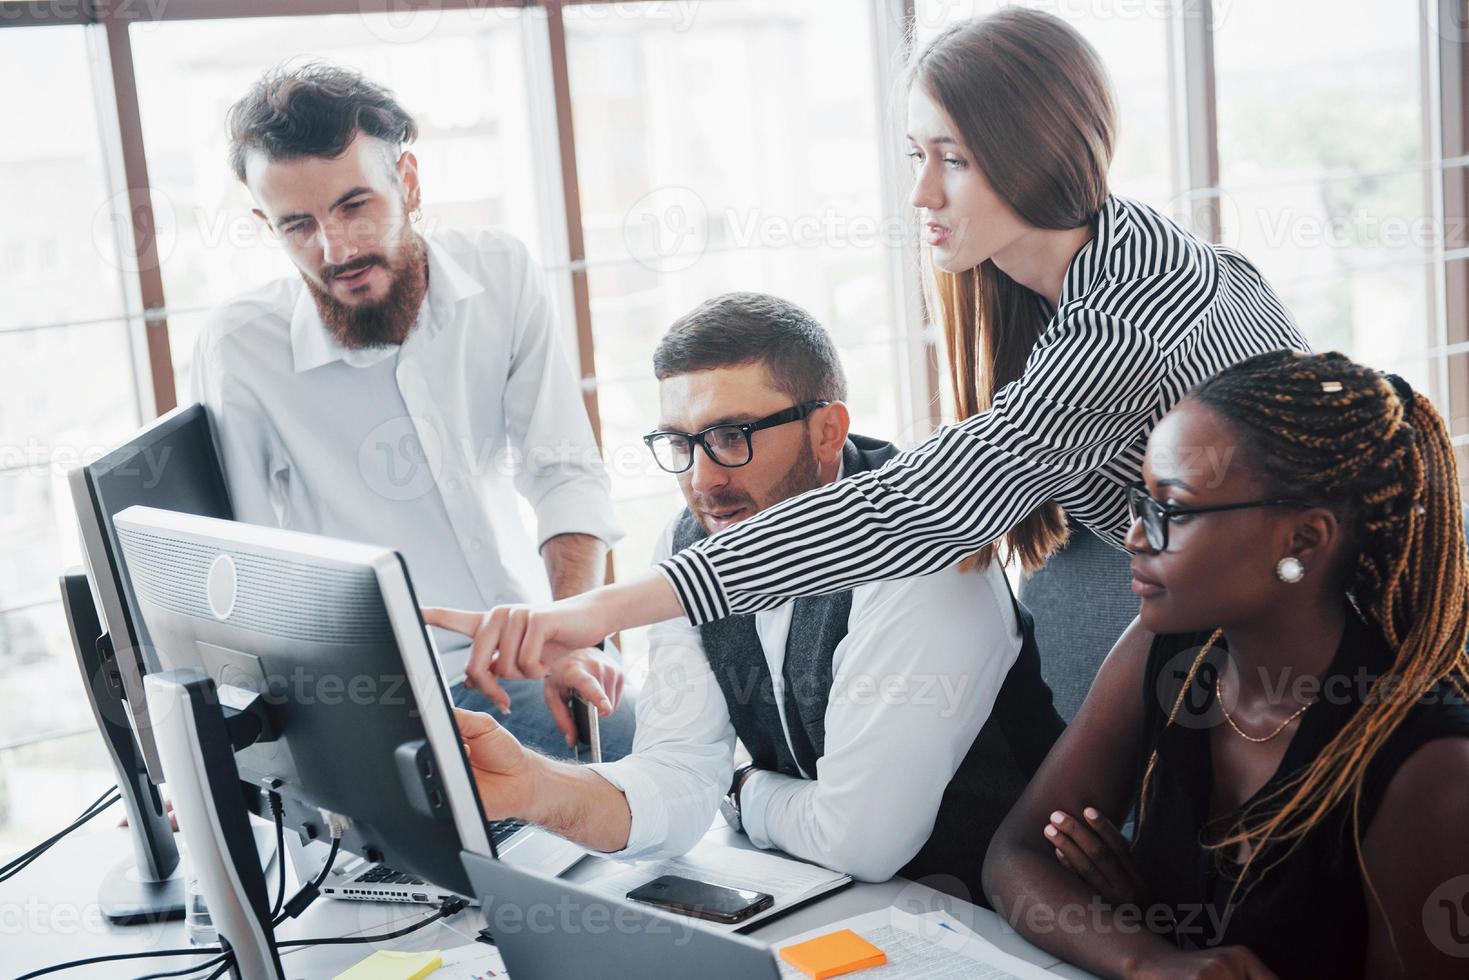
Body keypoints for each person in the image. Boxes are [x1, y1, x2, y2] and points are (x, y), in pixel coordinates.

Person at [429, 9, 1313, 688]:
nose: (921, 190)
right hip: (1159, 559)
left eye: (954, 159)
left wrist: (597, 609)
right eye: (913, 154)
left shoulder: (1124, 318)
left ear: (1039, 155)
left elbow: (914, 506)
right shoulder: (1047, 263)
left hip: (1293, 600)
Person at [427, 293, 1064, 899]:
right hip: (835, 908)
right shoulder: (686, 545)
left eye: (733, 436)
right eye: (680, 443)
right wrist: (535, 788)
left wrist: (737, 787)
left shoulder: (922, 556)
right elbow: (675, 782)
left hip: (994, 925)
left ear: (827, 432)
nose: (704, 480)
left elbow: (860, 842)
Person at [193, 63, 633, 759]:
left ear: (410, 184)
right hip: (375, 700)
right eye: (297, 225)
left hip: (531, 652)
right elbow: (238, 577)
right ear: (265, 225)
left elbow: (564, 472)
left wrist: (569, 633)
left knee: (645, 763)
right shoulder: (242, 347)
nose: (334, 250)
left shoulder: (502, 274)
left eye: (353, 206)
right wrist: (219, 758)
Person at [983, 350, 1469, 979]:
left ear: (1303, 539)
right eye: (1143, 500)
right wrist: (1150, 957)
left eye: (1175, 510)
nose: (1135, 536)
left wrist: (1157, 932)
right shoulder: (1171, 651)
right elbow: (1014, 856)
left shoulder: (1428, 765)